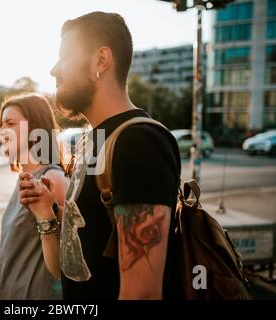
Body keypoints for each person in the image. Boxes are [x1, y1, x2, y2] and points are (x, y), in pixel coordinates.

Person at [20, 12, 181, 300]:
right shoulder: (90, 141)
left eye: (65, 56)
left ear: (101, 61)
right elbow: (66, 270)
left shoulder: (138, 141)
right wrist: (45, 211)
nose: (54, 70)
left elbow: (142, 293)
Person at [0, 93, 68, 300]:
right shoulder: (25, 179)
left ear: (35, 128)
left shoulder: (52, 178)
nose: (2, 131)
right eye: (1, 125)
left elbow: (66, 262)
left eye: (10, 123)